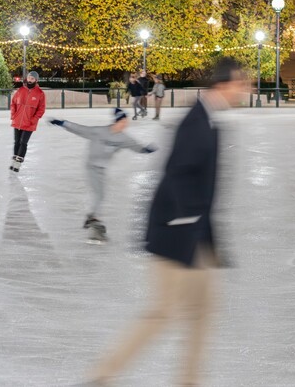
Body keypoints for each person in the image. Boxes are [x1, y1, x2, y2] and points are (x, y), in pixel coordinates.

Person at [89, 57, 246, 386]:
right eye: (241, 83)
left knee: (202, 313)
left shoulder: (210, 120)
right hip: (175, 234)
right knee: (162, 312)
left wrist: (210, 242)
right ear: (223, 85)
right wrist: (187, 222)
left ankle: (189, 381)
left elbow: (204, 190)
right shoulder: (197, 121)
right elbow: (176, 175)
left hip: (195, 236)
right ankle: (102, 376)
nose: (245, 90)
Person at [49, 108, 156, 240]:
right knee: (99, 195)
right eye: (124, 121)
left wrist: (145, 150)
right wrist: (63, 123)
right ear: (118, 121)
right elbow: (80, 129)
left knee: (101, 195)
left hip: (102, 170)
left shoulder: (124, 138)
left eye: (126, 122)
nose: (126, 124)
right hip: (91, 167)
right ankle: (93, 218)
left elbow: (135, 146)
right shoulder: (99, 132)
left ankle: (92, 217)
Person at [9, 71, 46, 173]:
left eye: (32, 78)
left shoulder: (40, 94)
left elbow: (41, 109)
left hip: (29, 123)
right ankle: (14, 159)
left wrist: (33, 120)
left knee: (23, 142)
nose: (30, 80)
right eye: (29, 78)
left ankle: (18, 162)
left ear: (36, 80)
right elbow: (13, 104)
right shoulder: (21, 90)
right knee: (16, 142)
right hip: (18, 121)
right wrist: (13, 115)